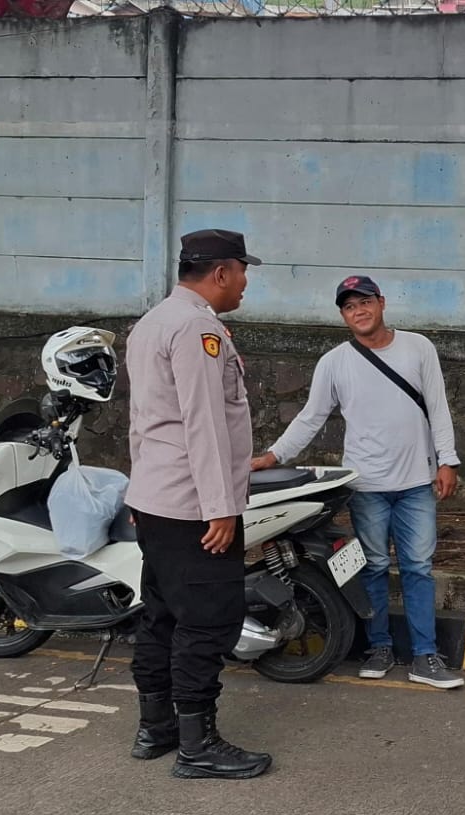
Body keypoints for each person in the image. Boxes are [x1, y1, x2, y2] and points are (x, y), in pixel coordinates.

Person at [252, 275, 465, 690]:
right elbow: (311, 417)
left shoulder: (418, 348)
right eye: (349, 307)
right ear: (344, 316)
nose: (359, 311)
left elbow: (438, 408)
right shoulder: (335, 362)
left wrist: (448, 460)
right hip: (366, 486)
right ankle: (379, 647)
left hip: (417, 483)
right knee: (375, 567)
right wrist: (273, 456)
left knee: (419, 568)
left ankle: (425, 656)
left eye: (364, 302)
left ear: (381, 303)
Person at [124, 228, 272, 779]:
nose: (245, 283)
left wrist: (140, 487)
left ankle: (156, 728)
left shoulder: (153, 321)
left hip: (158, 499)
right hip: (192, 507)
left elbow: (143, 421)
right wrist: (220, 507)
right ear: (221, 272)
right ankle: (197, 745)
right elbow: (203, 423)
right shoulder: (196, 328)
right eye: (243, 271)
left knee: (162, 616)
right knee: (208, 621)